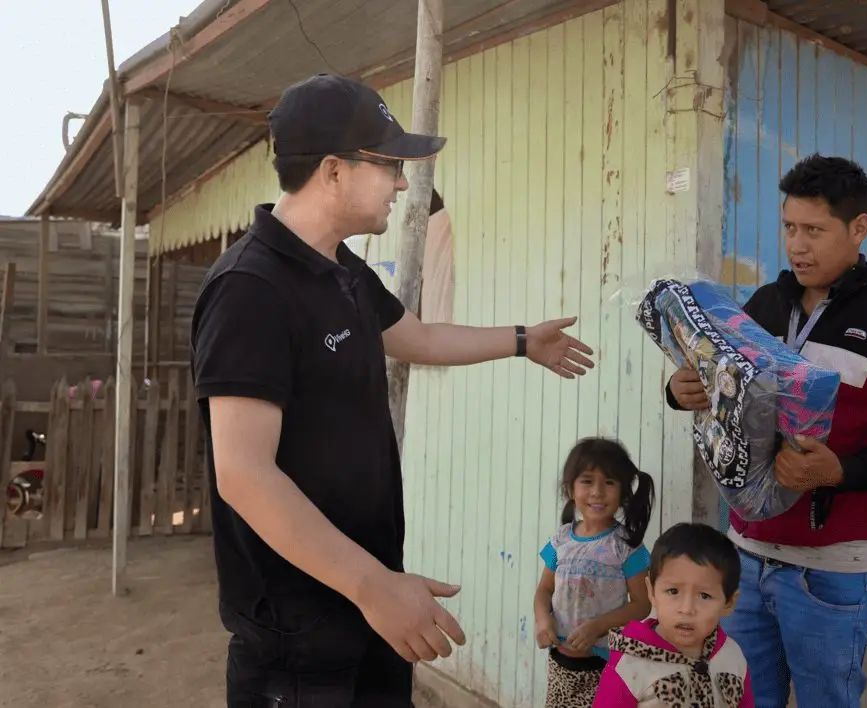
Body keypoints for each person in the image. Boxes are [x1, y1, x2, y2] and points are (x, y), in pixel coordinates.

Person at [191, 73, 595, 707]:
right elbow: (242, 474)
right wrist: (374, 585)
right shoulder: (251, 288)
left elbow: (420, 338)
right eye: (388, 165)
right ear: (332, 170)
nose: (404, 184)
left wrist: (523, 341)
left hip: (369, 603)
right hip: (298, 638)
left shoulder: (341, 269)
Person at [664, 154, 867, 707]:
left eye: (814, 231)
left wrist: (838, 471)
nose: (797, 245)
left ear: (859, 228)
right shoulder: (765, 303)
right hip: (743, 555)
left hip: (832, 572)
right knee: (745, 699)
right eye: (789, 227)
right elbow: (723, 386)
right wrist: (678, 391)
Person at [533, 437, 656, 708]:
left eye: (609, 482)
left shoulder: (626, 547)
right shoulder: (560, 541)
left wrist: (598, 627)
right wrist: (543, 620)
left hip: (605, 664)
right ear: (570, 489)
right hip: (560, 663)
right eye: (587, 481)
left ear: (624, 493)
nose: (598, 492)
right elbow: (544, 590)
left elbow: (642, 604)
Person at [592, 522, 753, 708]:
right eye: (673, 591)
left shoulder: (732, 656)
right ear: (651, 592)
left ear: (728, 603)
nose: (686, 609)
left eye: (704, 596)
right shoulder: (629, 664)